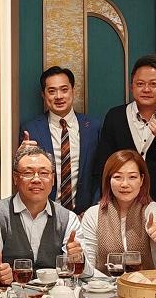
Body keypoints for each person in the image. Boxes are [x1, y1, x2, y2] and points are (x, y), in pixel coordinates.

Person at [93, 55, 156, 212]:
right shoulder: (115, 116)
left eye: (153, 84)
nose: (146, 89)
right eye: (140, 84)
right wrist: (106, 200)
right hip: (120, 205)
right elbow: (104, 164)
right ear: (132, 87)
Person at [0, 145, 84, 271]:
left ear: (53, 179)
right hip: (12, 284)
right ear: (15, 178)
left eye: (44, 173)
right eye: (28, 173)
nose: (36, 179)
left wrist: (77, 259)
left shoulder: (68, 218)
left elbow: (84, 272)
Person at [17, 66, 101, 212]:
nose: (59, 96)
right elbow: (21, 175)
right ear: (43, 95)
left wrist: (91, 212)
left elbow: (101, 173)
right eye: (52, 91)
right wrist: (21, 157)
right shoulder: (31, 130)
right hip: (44, 212)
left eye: (64, 89)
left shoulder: (93, 127)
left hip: (84, 214)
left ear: (73, 91)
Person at [77, 150, 156, 272]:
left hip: (143, 282)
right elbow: (88, 267)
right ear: (108, 180)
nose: (125, 184)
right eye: (117, 177)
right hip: (103, 283)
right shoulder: (93, 214)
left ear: (141, 180)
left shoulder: (151, 209)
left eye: (132, 177)